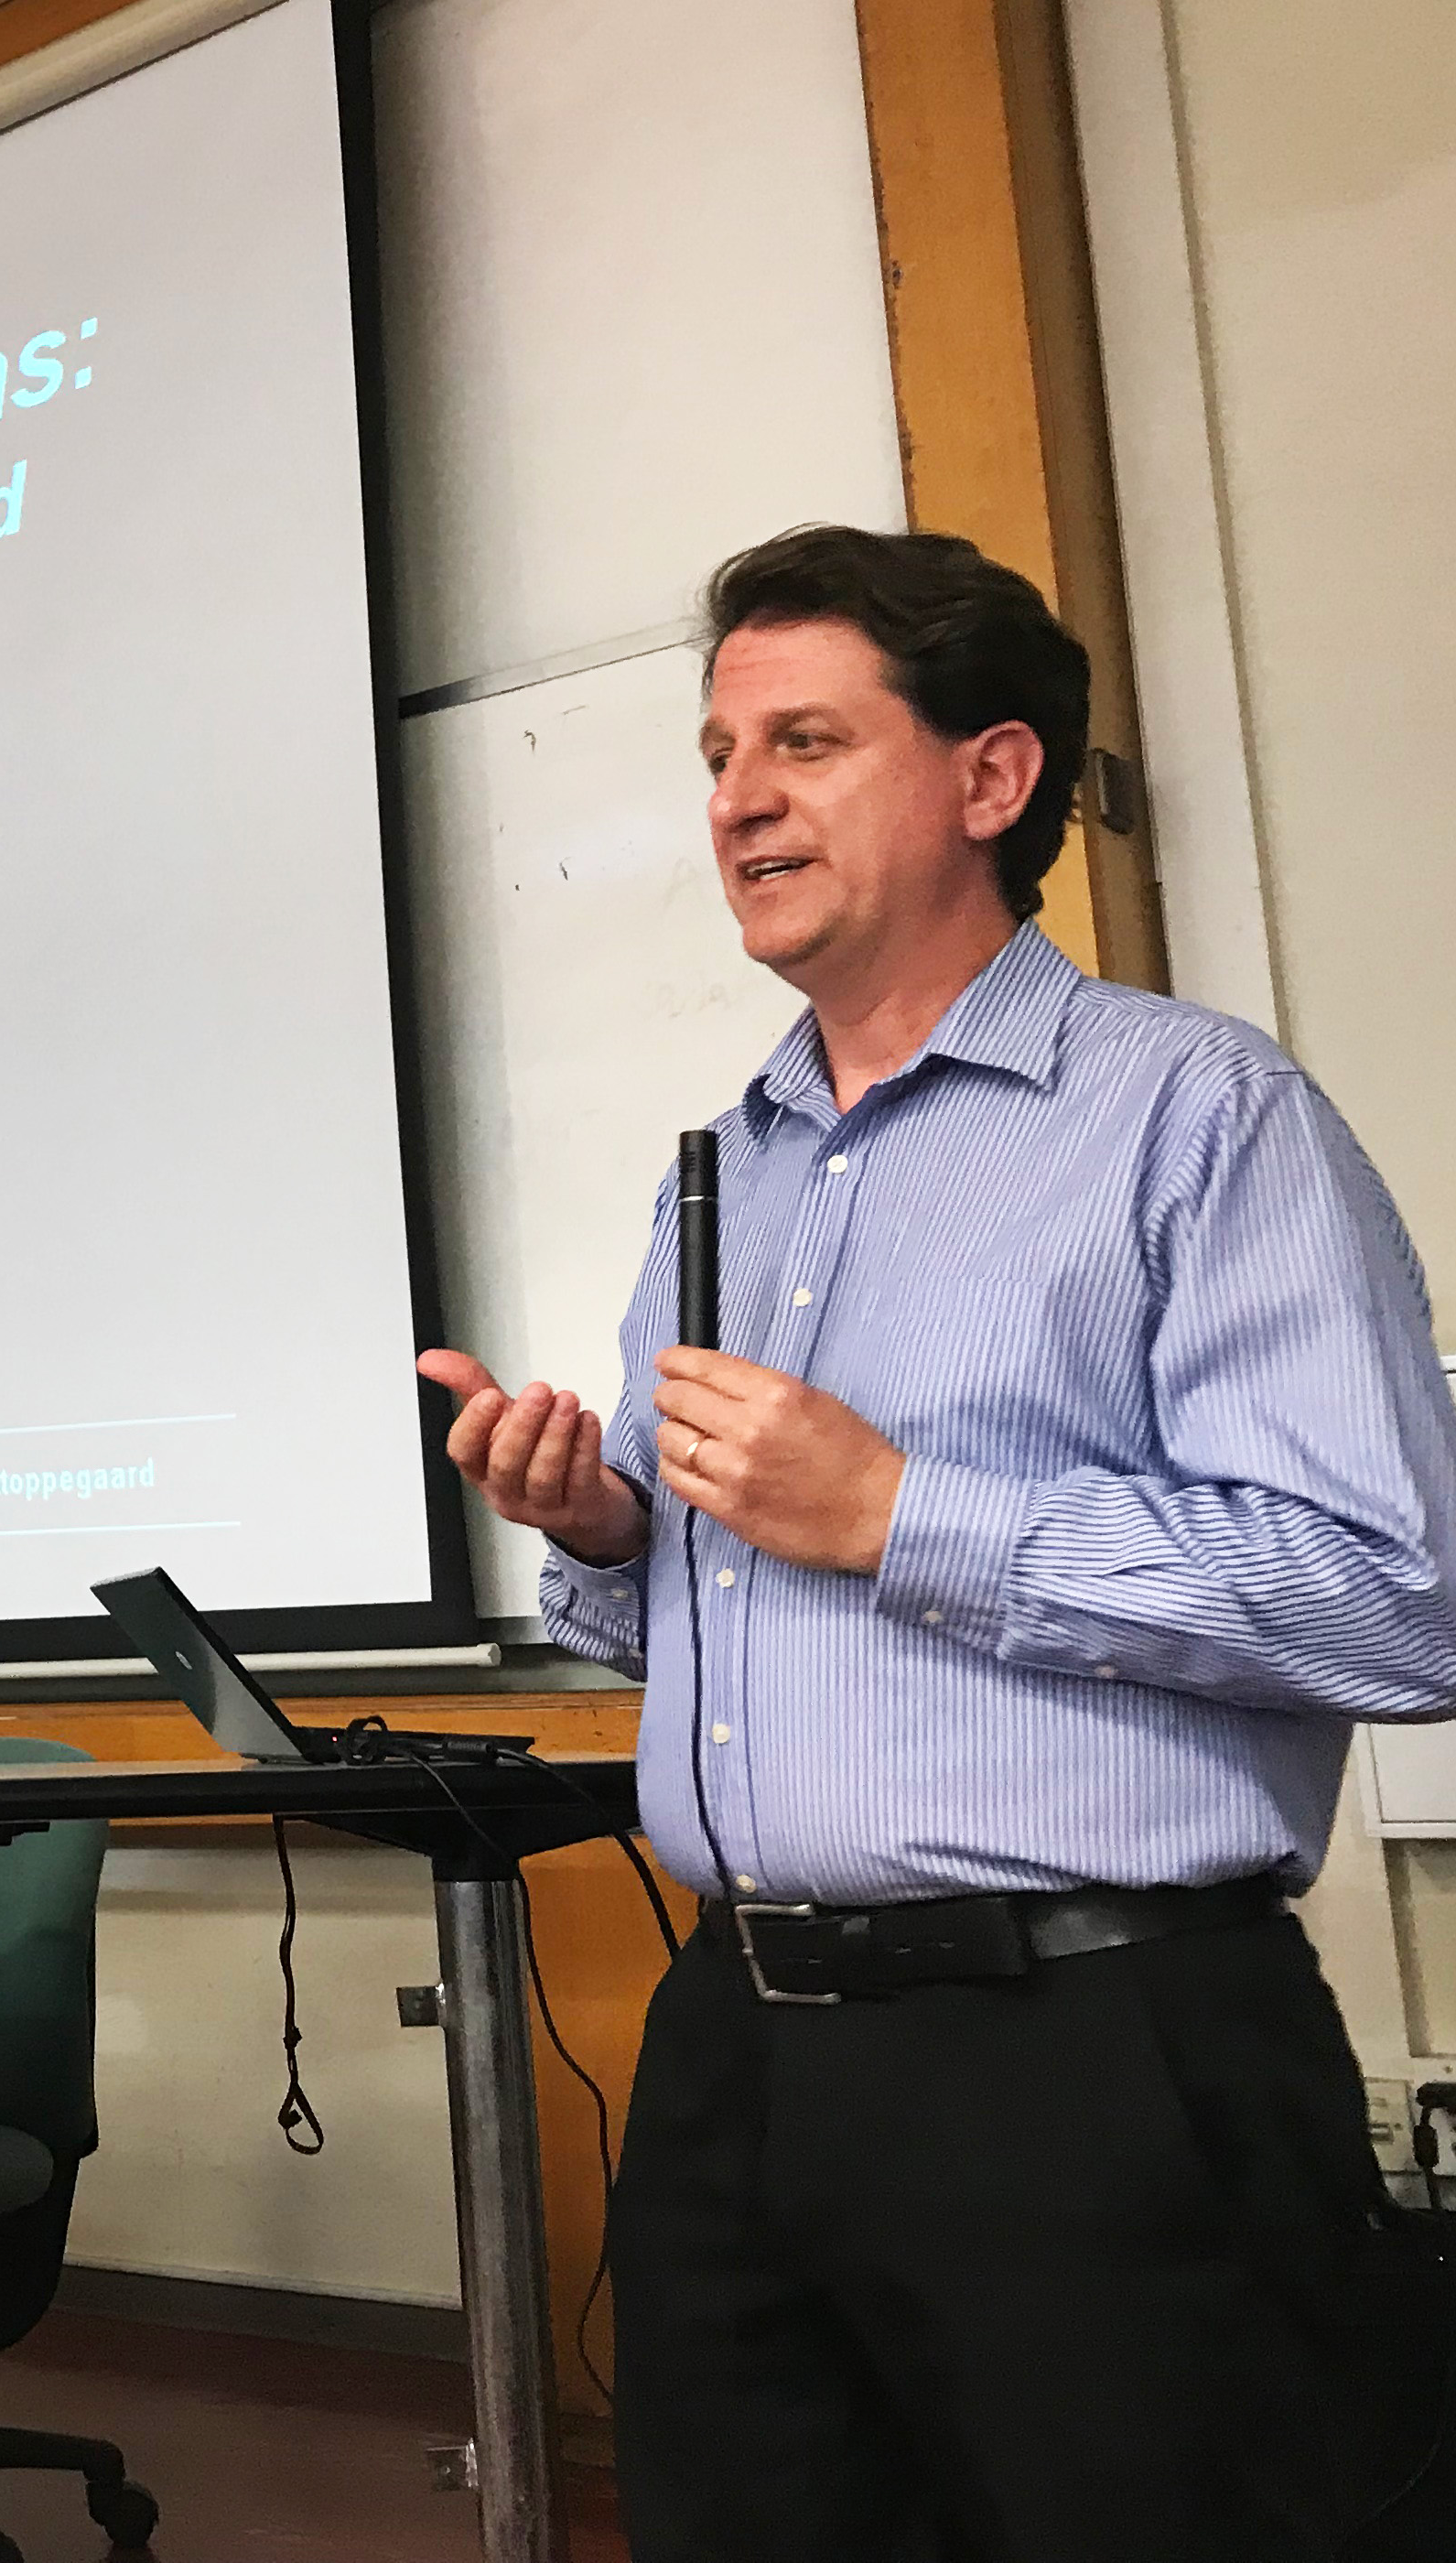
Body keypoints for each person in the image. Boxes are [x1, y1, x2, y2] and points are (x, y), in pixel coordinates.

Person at [417, 524, 1456, 2560]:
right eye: (719, 752)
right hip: (735, 2050)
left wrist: (903, 1510)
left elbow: (1397, 1597)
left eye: (804, 739)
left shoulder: (1199, 1119)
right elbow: (711, 1605)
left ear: (991, 778)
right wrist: (607, 1521)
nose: (737, 798)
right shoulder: (724, 1168)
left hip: (1089, 2057)